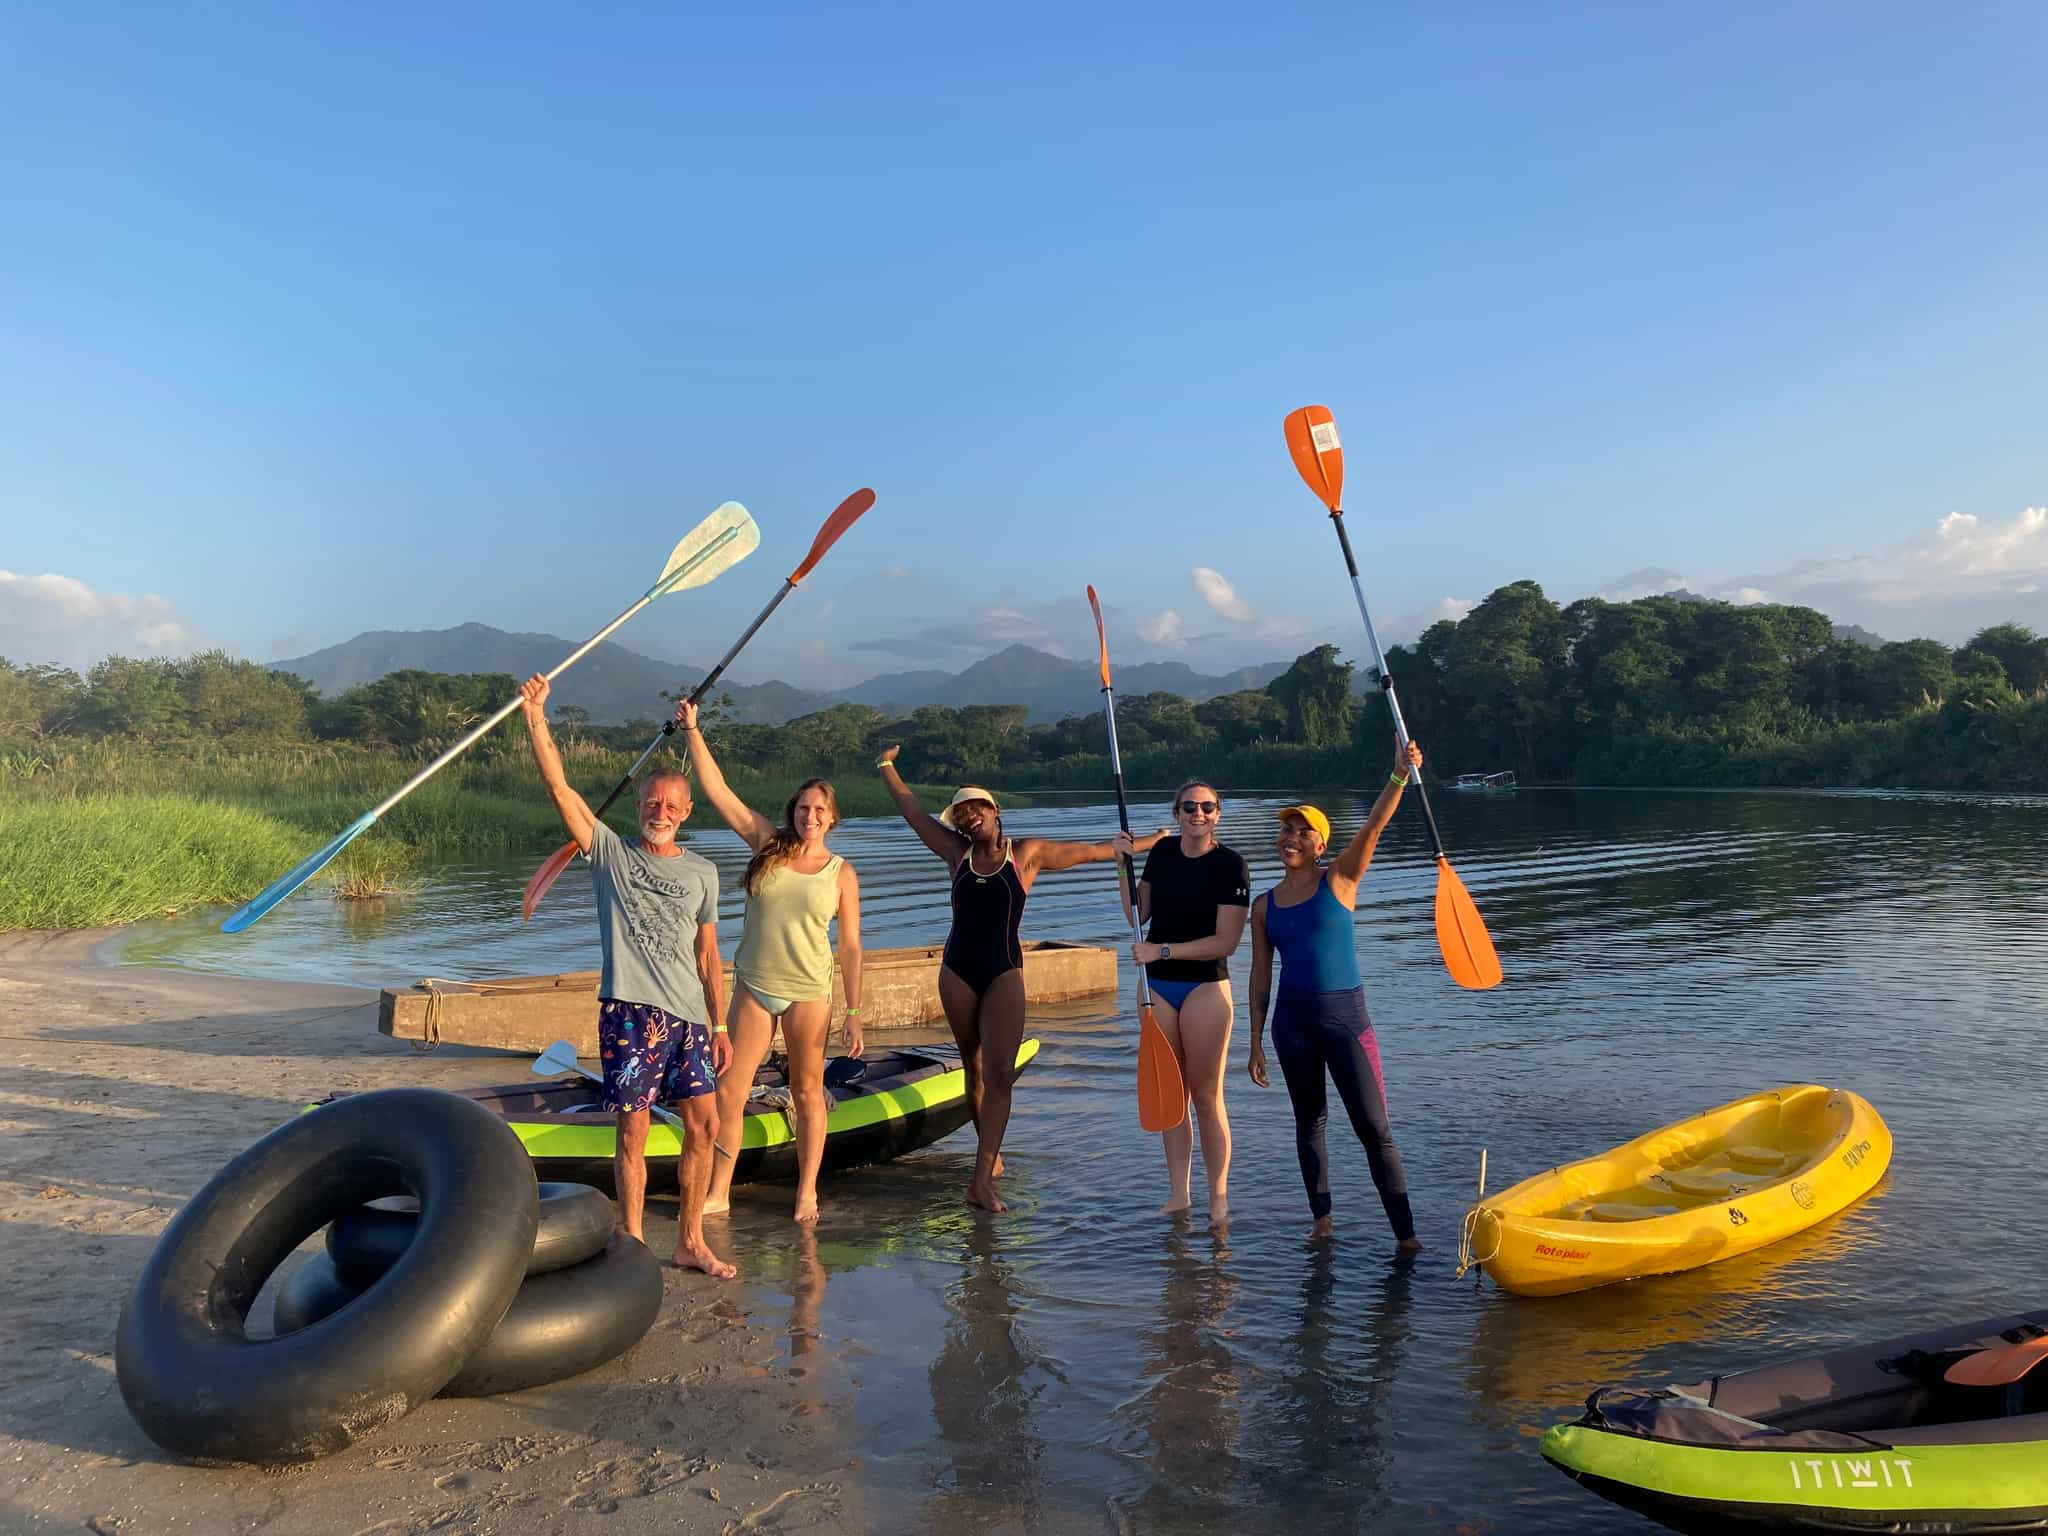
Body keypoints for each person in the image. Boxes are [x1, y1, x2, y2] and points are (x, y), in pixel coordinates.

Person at [877, 746, 1165, 1212]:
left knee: (1001, 1075)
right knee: (972, 1067)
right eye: (962, 816)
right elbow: (911, 809)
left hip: (1004, 971)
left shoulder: (1025, 854)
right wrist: (886, 767)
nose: (969, 820)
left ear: (995, 811)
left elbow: (1093, 852)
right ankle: (987, 1161)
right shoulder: (955, 853)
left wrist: (1147, 842)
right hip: (957, 972)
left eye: (977, 810)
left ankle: (980, 1177)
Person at [517, 674, 735, 1279]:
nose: (659, 813)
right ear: (639, 808)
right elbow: (561, 789)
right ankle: (634, 1240)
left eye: (671, 807)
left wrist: (719, 1022)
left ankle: (691, 1239)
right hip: (631, 1013)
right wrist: (537, 716)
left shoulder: (704, 873)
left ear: (686, 813)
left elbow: (709, 956)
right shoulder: (611, 854)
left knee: (705, 1125)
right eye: (650, 804)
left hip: (693, 1019)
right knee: (633, 1129)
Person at [674, 698, 864, 1225]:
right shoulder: (767, 846)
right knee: (730, 1089)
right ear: (793, 812)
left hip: (809, 993)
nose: (810, 817)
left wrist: (854, 1011)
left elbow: (849, 946)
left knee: (807, 1090)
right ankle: (719, 1190)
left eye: (820, 811)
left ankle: (807, 1192)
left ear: (832, 819)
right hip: (756, 986)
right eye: (803, 808)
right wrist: (693, 730)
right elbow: (719, 794)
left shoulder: (841, 873)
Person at [1246, 740, 1425, 1249]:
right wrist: (1255, 1041)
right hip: (1292, 1025)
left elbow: (1373, 827)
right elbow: (1261, 977)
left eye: (1305, 831)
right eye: (1287, 828)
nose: (1293, 837)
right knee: (1310, 1123)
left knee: (1375, 1130)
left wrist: (1398, 775)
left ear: (1321, 845)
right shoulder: (1264, 906)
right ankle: (1322, 1222)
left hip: (1347, 1021)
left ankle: (1406, 1236)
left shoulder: (1341, 880)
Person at [1115, 779, 1250, 1225]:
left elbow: (1225, 942)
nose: (1198, 814)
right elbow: (1138, 915)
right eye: (1189, 807)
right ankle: (1178, 1194)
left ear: (1218, 814)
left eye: (1207, 807)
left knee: (1206, 1096)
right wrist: (1121, 863)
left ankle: (1218, 1196)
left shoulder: (1231, 865)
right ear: (1177, 812)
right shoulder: (1162, 853)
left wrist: (1163, 950)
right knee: (1170, 1095)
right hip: (1156, 987)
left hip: (1205, 987)